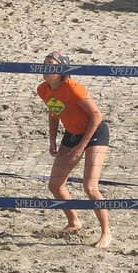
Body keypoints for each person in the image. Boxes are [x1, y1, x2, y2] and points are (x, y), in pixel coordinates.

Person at [36, 52, 112, 247]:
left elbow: (96, 116)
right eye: (44, 64)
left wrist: (81, 147)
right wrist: (52, 140)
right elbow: (54, 114)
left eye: (51, 65)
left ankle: (106, 233)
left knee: (90, 187)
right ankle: (74, 221)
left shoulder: (74, 89)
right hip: (72, 133)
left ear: (61, 70)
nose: (46, 68)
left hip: (95, 133)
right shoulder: (43, 89)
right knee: (55, 184)